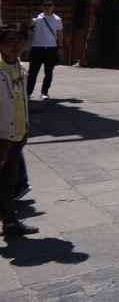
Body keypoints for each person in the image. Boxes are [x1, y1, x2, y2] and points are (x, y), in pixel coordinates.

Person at [0, 24, 37, 238]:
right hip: (3, 136)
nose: (15, 45)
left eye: (18, 41)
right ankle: (10, 221)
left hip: (18, 134)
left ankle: (11, 222)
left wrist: (25, 129)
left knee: (9, 181)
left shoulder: (20, 68)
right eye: (9, 41)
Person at [27, 0, 63, 101]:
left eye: (49, 5)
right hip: (37, 47)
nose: (47, 7)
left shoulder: (57, 19)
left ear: (53, 7)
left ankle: (44, 92)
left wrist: (60, 47)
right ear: (42, 7)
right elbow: (29, 27)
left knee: (49, 72)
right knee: (33, 72)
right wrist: (31, 21)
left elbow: (60, 34)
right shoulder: (37, 18)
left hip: (51, 48)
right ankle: (28, 92)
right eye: (45, 5)